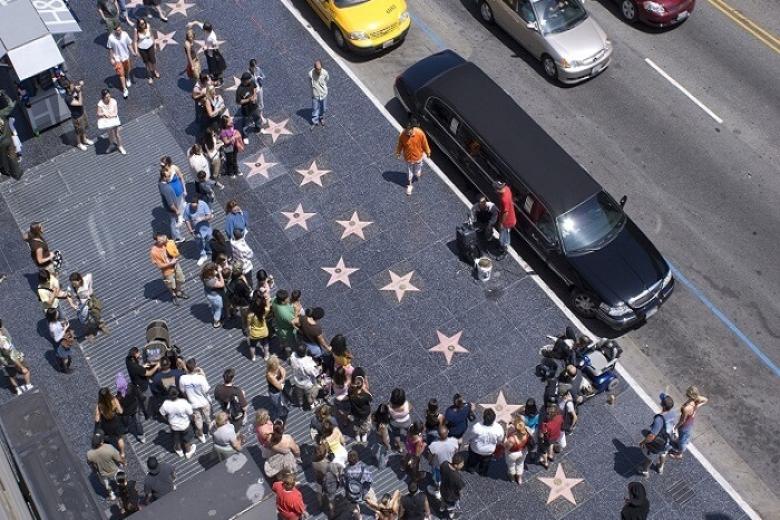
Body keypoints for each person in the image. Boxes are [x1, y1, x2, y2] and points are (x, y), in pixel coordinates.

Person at [638, 394, 677, 476]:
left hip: (659, 444)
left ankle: (644, 470)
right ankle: (660, 467)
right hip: (669, 441)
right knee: (663, 453)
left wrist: (643, 442)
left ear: (662, 404)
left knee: (650, 457)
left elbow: (652, 436)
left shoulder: (659, 419)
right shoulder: (673, 414)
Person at [67, 272, 110, 339]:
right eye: (72, 283)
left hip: (90, 301)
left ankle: (101, 325)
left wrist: (90, 288)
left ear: (79, 280)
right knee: (85, 320)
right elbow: (68, 295)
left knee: (96, 314)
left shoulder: (85, 280)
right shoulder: (71, 287)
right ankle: (90, 332)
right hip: (82, 306)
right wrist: (72, 304)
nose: (73, 285)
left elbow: (90, 275)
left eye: (74, 283)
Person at [670, 386, 708, 460]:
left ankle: (679, 454)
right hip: (690, 422)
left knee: (682, 442)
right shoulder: (696, 400)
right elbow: (706, 400)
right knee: (684, 437)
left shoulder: (686, 408)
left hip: (684, 425)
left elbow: (682, 421)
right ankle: (680, 441)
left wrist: (675, 427)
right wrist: (698, 406)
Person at [395, 117, 431, 196]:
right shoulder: (402, 135)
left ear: (412, 129)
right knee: (409, 173)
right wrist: (398, 153)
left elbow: (425, 143)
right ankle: (409, 185)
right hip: (408, 158)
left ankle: (418, 170)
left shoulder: (420, 133)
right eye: (406, 131)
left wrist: (428, 152)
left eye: (409, 131)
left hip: (418, 157)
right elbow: (400, 145)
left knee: (417, 173)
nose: (408, 133)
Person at [463, 408, 504, 476]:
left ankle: (471, 469)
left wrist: (465, 442)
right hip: (489, 452)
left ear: (483, 417)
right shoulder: (499, 428)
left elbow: (469, 437)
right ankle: (482, 472)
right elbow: (500, 440)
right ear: (494, 419)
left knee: (472, 461)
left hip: (475, 449)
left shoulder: (476, 427)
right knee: (485, 464)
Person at [149, 232, 188, 305]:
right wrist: (170, 263)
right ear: (156, 241)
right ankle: (174, 295)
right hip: (167, 270)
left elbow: (175, 251)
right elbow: (160, 266)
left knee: (181, 279)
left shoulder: (168, 243)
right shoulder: (154, 251)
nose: (163, 241)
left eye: (163, 239)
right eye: (160, 241)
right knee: (171, 284)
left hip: (176, 265)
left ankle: (179, 292)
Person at [179, 358, 211, 443]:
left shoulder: (182, 379)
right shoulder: (201, 378)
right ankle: (210, 432)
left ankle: (201, 436)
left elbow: (183, 392)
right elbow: (206, 390)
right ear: (196, 366)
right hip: (204, 402)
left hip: (193, 404)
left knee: (197, 420)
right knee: (208, 417)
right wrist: (203, 375)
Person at [159, 386, 196, 458]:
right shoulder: (184, 402)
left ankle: (179, 451)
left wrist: (168, 421)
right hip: (185, 425)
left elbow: (162, 414)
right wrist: (192, 420)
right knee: (186, 440)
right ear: (178, 393)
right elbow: (191, 414)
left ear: (168, 395)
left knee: (176, 439)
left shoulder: (165, 404)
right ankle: (188, 452)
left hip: (174, 426)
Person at [87, 431, 123, 501]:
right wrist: (123, 462)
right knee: (120, 478)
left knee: (107, 485)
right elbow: (118, 458)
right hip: (114, 469)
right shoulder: (109, 447)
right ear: (101, 442)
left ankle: (112, 495)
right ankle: (122, 490)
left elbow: (90, 464)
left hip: (102, 473)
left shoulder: (89, 454)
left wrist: (94, 470)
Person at [125, 346, 158, 420]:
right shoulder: (137, 368)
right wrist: (157, 366)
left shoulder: (127, 360)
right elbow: (149, 373)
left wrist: (143, 366)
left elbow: (137, 368)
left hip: (135, 383)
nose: (139, 354)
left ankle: (142, 410)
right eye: (138, 353)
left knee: (141, 399)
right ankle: (145, 413)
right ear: (135, 354)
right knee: (147, 399)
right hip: (143, 386)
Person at [95, 387, 127, 462]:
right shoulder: (114, 400)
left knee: (108, 437)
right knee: (120, 438)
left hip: (107, 424)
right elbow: (121, 411)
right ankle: (122, 453)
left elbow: (97, 419)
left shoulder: (100, 405)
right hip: (116, 422)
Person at [426, 425, 458, 500]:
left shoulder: (434, 445)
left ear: (438, 435)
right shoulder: (454, 441)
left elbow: (430, 456)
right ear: (448, 433)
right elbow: (456, 451)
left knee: (437, 479)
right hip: (449, 465)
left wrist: (430, 462)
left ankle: (437, 491)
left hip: (438, 466)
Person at [159, 156, 187, 242]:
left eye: (164, 165)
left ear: (168, 163)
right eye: (161, 165)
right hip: (172, 195)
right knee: (174, 217)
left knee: (181, 205)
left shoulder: (174, 168)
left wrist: (184, 189)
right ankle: (176, 236)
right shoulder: (163, 173)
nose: (162, 167)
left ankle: (181, 217)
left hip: (179, 191)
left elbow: (181, 177)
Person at [0, 322, 33, 395]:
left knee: (12, 376)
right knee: (26, 370)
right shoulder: (3, 341)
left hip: (5, 363)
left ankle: (18, 390)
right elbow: (12, 355)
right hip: (14, 360)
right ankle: (28, 385)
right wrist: (21, 366)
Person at [106, 22, 135, 99]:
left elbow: (129, 44)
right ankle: (124, 89)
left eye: (120, 29)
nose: (119, 31)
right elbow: (110, 49)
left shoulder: (125, 34)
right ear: (114, 31)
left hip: (125, 56)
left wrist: (133, 52)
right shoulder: (111, 38)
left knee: (127, 69)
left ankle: (128, 78)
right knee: (121, 74)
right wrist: (111, 58)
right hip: (117, 59)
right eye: (117, 30)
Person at [184, 195, 214, 266]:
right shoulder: (187, 208)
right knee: (199, 243)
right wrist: (190, 231)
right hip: (196, 230)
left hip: (206, 228)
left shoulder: (203, 204)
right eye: (192, 206)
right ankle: (203, 255)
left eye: (195, 207)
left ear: (198, 203)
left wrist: (202, 218)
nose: (193, 208)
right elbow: (187, 220)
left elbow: (209, 216)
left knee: (209, 239)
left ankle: (209, 250)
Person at [290, 343, 322, 410]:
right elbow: (316, 373)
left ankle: (300, 403)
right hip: (307, 384)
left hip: (297, 380)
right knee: (310, 396)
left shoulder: (292, 356)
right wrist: (319, 368)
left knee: (299, 393)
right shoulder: (308, 364)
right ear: (305, 352)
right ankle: (312, 404)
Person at [65, 80, 95, 151]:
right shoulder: (68, 98)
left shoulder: (73, 92)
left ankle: (84, 140)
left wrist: (80, 86)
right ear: (68, 88)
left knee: (83, 127)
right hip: (77, 117)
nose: (74, 86)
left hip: (82, 112)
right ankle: (79, 143)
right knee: (78, 131)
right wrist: (79, 92)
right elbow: (80, 103)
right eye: (72, 85)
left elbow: (78, 95)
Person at [116, 372, 145, 444]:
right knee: (137, 422)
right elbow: (140, 395)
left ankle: (126, 428)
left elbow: (118, 406)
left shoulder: (119, 396)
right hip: (135, 408)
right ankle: (141, 436)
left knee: (124, 420)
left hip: (125, 411)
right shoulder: (131, 386)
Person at [504, 416, 534, 485]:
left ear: (516, 429)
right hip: (523, 451)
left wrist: (506, 431)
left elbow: (506, 447)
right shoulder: (527, 430)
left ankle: (512, 478)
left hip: (513, 454)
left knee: (511, 465)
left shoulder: (512, 439)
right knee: (520, 464)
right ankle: (519, 478)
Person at [96, 89, 126, 153]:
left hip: (113, 120)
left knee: (117, 134)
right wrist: (104, 114)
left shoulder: (113, 101)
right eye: (106, 97)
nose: (108, 98)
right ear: (103, 97)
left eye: (109, 96)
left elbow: (115, 112)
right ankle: (112, 145)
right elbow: (98, 113)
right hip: (106, 121)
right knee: (110, 134)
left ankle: (120, 146)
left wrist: (109, 116)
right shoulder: (100, 103)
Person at [46, 308, 74, 373]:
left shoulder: (53, 321)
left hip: (60, 342)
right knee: (65, 357)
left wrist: (63, 326)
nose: (58, 313)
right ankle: (65, 369)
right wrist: (65, 329)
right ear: (54, 316)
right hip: (60, 344)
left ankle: (62, 365)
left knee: (64, 356)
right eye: (56, 312)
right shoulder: (53, 326)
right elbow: (56, 339)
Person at [439, 452, 465, 520]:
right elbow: (460, 491)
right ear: (456, 465)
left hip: (442, 489)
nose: (463, 465)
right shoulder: (457, 477)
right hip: (451, 496)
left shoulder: (444, 464)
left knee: (443, 500)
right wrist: (460, 497)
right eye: (461, 464)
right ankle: (451, 515)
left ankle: (441, 509)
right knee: (451, 505)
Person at [245, 292, 270, 361]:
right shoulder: (264, 312)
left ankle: (253, 357)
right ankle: (266, 356)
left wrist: (248, 333)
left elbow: (248, 326)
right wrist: (267, 298)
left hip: (254, 334)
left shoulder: (250, 315)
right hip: (264, 332)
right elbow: (268, 307)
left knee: (252, 346)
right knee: (265, 344)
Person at [235, 72, 262, 136]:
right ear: (245, 80)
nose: (250, 80)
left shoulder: (251, 82)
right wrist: (249, 100)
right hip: (246, 109)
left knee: (257, 117)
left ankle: (258, 128)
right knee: (246, 123)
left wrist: (255, 96)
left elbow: (255, 88)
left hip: (254, 106)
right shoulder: (239, 90)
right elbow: (238, 102)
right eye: (249, 79)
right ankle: (245, 135)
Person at [539, 404, 565, 469]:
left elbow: (542, 434)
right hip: (556, 436)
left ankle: (545, 463)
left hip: (547, 438)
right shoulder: (559, 417)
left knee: (543, 450)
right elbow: (562, 423)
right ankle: (551, 455)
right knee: (551, 444)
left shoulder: (545, 424)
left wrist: (541, 440)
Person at [133, 18, 159, 84]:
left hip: (150, 46)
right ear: (138, 25)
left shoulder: (148, 26)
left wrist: (154, 44)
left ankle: (155, 71)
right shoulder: (136, 30)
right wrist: (136, 51)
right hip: (142, 48)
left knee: (153, 61)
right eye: (141, 24)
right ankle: (149, 76)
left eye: (143, 23)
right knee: (147, 63)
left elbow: (152, 35)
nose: (143, 25)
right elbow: (135, 41)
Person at [494, 181, 516, 259]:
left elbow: (506, 213)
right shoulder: (507, 189)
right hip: (511, 218)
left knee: (503, 237)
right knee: (505, 233)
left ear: (497, 190)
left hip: (507, 221)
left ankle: (504, 250)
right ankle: (502, 246)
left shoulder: (504, 199)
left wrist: (501, 223)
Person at [348, 375, 372, 444]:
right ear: (362, 385)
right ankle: (364, 434)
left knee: (356, 423)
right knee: (365, 424)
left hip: (355, 412)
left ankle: (357, 435)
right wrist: (365, 390)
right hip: (365, 414)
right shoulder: (364, 396)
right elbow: (370, 398)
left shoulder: (350, 392)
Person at [201, 262, 226, 328]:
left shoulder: (203, 274)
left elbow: (213, 276)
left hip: (208, 293)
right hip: (215, 297)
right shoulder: (211, 281)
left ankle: (213, 312)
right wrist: (220, 273)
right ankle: (216, 322)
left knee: (214, 306)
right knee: (218, 309)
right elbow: (221, 284)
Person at [389, 387, 413, 452]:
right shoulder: (406, 404)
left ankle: (400, 447)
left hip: (395, 423)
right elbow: (411, 408)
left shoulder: (389, 407)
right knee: (409, 430)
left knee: (396, 435)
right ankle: (411, 440)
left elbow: (389, 415)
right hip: (406, 421)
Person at [266, 355, 288, 422]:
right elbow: (278, 386)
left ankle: (280, 410)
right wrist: (282, 379)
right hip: (274, 392)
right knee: (277, 405)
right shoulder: (269, 374)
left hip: (280, 389)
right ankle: (279, 415)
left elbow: (284, 371)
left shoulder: (277, 366)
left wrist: (280, 380)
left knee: (280, 402)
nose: (278, 366)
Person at [309, 60, 329, 129]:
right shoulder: (310, 74)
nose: (319, 71)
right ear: (314, 68)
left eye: (320, 69)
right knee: (315, 109)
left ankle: (321, 118)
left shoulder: (325, 73)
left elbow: (327, 80)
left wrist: (323, 89)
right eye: (317, 69)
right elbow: (310, 84)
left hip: (323, 94)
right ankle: (315, 121)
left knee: (323, 108)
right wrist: (312, 94)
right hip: (315, 95)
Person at [248, 59, 266, 123]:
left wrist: (260, 77)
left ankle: (260, 115)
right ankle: (253, 117)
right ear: (250, 67)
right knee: (253, 105)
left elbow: (263, 76)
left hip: (259, 89)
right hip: (252, 92)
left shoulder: (258, 69)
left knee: (260, 103)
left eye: (255, 67)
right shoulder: (248, 74)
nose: (254, 69)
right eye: (253, 67)